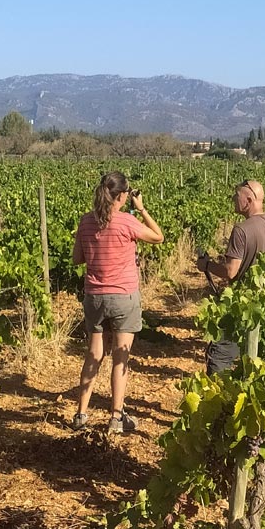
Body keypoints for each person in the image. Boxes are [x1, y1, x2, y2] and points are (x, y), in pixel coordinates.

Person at [71, 171, 163, 433]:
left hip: (94, 297)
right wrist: (142, 209)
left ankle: (81, 414)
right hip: (123, 296)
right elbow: (158, 237)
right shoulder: (127, 221)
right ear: (123, 196)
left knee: (94, 354)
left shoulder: (86, 222)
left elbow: (78, 259)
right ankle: (116, 417)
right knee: (120, 356)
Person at [196, 179, 265, 374]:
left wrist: (207, 265)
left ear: (248, 200)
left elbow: (231, 271)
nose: (232, 200)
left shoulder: (241, 230)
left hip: (242, 303)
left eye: (236, 197)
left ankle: (218, 397)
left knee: (220, 355)